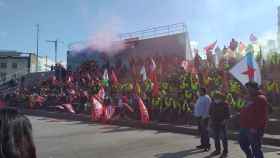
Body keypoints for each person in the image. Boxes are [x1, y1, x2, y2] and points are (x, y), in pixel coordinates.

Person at [239, 81, 268, 158]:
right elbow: (242, 108)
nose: (247, 90)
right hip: (244, 126)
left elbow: (261, 116)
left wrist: (255, 127)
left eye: (248, 88)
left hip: (254, 128)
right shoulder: (248, 97)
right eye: (246, 88)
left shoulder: (261, 98)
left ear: (254, 88)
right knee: (242, 144)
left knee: (256, 148)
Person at [209, 92, 230, 158]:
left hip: (222, 123)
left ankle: (225, 151)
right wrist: (210, 121)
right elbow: (210, 112)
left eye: (217, 97)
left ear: (220, 97)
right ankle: (217, 150)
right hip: (214, 123)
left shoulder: (225, 104)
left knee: (224, 138)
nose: (216, 99)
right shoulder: (212, 103)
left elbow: (228, 114)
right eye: (215, 97)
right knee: (216, 137)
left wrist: (225, 120)